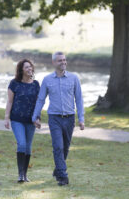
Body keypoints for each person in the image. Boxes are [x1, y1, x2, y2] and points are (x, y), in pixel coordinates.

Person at [32, 51, 85, 186]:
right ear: (54, 62)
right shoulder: (47, 80)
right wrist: (36, 116)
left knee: (65, 148)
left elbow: (79, 99)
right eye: (60, 60)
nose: (63, 62)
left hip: (69, 118)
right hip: (54, 118)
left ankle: (57, 170)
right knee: (58, 147)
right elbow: (40, 99)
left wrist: (81, 118)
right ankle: (63, 176)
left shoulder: (74, 78)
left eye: (64, 60)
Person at [4, 59, 40, 183]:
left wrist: (38, 118)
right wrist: (6, 118)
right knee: (22, 144)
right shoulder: (14, 83)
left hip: (31, 121)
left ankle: (25, 175)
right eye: (26, 67)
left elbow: (38, 104)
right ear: (21, 70)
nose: (29, 69)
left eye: (30, 67)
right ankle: (20, 175)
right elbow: (10, 101)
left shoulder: (36, 84)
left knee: (28, 147)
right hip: (17, 120)